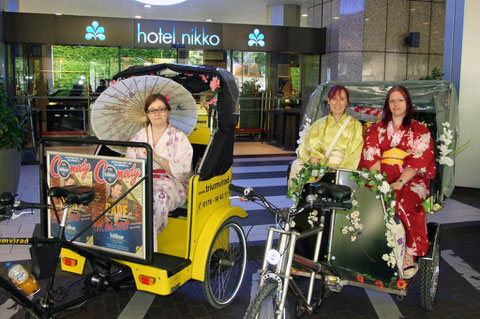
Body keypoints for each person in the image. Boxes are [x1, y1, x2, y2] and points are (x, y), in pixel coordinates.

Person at [360, 85, 436, 279]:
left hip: (410, 178)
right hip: (382, 176)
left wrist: (400, 182)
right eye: (392, 100)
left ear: (408, 103)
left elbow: (419, 159)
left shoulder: (419, 130)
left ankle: (408, 254)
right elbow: (371, 157)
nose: (396, 104)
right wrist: (380, 182)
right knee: (365, 200)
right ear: (387, 104)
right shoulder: (376, 130)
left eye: (400, 100)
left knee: (403, 202)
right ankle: (365, 250)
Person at [126, 93, 193, 236]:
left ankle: (147, 239)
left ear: (168, 111)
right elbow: (129, 165)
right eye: (152, 110)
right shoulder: (139, 136)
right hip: (142, 180)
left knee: (159, 198)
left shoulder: (178, 137)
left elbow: (184, 170)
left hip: (170, 182)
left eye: (161, 109)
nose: (157, 114)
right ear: (147, 113)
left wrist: (157, 158)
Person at [290, 85, 364, 186]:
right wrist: (317, 170)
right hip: (320, 164)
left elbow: (354, 154)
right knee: (296, 165)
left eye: (342, 99)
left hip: (343, 167)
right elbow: (311, 148)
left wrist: (338, 171)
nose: (337, 103)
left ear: (347, 102)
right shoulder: (318, 124)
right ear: (328, 101)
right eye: (334, 99)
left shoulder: (356, 125)